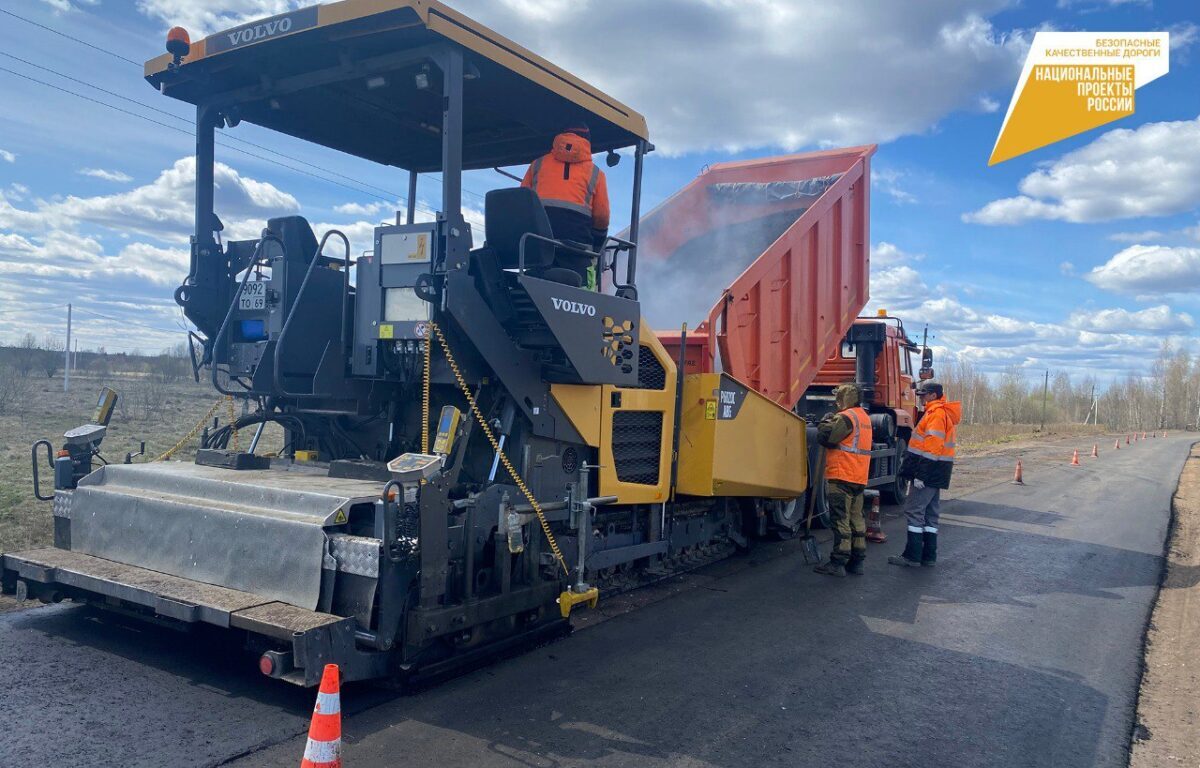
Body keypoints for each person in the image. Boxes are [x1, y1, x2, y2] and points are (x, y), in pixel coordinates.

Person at [521, 122, 610, 289]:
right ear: (587, 142)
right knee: (585, 297)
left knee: (536, 287)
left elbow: (521, 204)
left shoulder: (537, 165)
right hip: (578, 251)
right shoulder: (596, 174)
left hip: (539, 247)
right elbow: (602, 216)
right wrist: (598, 246)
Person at [889, 379, 961, 568]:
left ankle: (912, 556)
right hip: (938, 472)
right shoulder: (941, 413)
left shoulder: (935, 415)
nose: (920, 398)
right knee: (930, 513)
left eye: (923, 395)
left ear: (933, 395)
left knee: (914, 511)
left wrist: (921, 474)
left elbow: (932, 448)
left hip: (928, 472)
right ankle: (928, 556)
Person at [813, 383, 871, 577]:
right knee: (857, 520)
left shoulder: (846, 417)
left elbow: (828, 438)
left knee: (840, 521)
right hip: (858, 476)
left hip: (842, 475)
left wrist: (824, 423)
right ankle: (857, 562)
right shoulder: (863, 417)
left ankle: (838, 562)